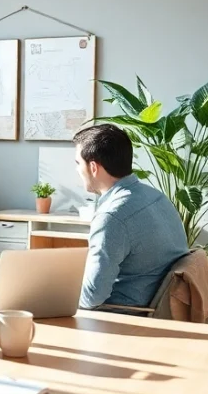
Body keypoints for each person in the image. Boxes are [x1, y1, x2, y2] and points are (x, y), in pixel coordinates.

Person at [73, 123, 189, 310]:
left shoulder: (111, 217)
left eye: (78, 164)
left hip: (125, 312)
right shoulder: (156, 196)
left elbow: (92, 298)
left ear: (93, 167)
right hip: (161, 304)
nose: (78, 170)